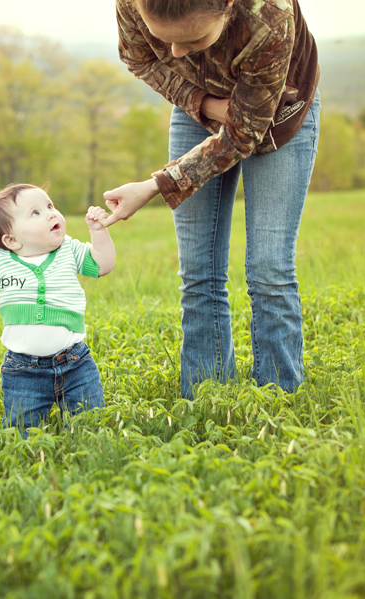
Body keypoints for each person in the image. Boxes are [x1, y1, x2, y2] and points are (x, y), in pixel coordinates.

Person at [104, 0, 320, 398]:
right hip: (196, 109)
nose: (176, 53)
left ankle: (278, 397)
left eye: (193, 39)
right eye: (163, 38)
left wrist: (155, 185)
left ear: (228, 8)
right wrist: (204, 104)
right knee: (198, 268)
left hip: (276, 114)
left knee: (269, 268)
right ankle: (206, 396)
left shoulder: (270, 17)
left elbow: (243, 134)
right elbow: (140, 59)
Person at [0, 184, 115, 435]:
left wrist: (99, 232)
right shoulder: (1, 261)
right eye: (36, 213)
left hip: (75, 361)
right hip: (23, 370)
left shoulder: (68, 249)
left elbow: (103, 265)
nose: (51, 214)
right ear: (11, 240)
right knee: (21, 432)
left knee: (91, 426)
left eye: (50, 206)